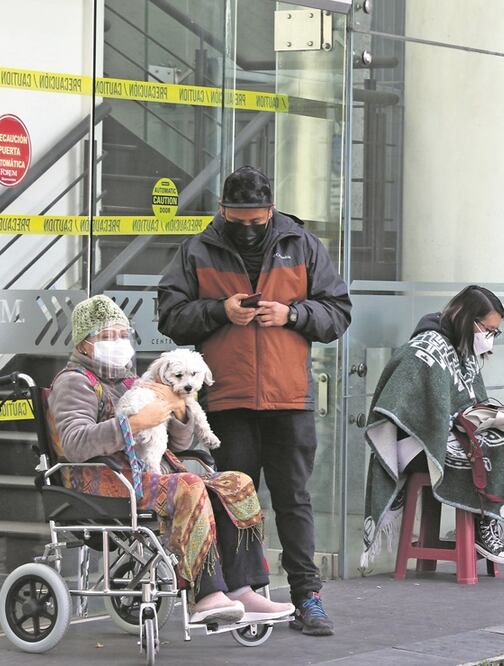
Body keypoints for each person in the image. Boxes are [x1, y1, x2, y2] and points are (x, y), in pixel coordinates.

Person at [157, 166, 352, 636]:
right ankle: (243, 596)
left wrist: (293, 313)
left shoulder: (302, 245)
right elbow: (169, 314)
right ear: (222, 210)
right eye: (238, 216)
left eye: (257, 217)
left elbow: (338, 312)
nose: (247, 226)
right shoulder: (197, 249)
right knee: (232, 502)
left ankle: (308, 598)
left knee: (294, 501)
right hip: (227, 399)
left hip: (289, 398)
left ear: (271, 210)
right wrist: (218, 311)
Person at [49, 295, 294, 625]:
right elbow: (75, 444)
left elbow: (178, 445)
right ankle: (205, 593)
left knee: (237, 483)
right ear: (86, 344)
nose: (120, 342)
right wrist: (134, 423)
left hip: (153, 475)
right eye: (109, 336)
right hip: (107, 483)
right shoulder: (75, 381)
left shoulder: (132, 380)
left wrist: (178, 411)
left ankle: (241, 589)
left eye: (124, 334)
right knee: (190, 486)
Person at [360, 285, 504, 570]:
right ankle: (485, 524)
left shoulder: (462, 347)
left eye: (496, 332)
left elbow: (471, 402)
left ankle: (487, 520)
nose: (490, 338)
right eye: (488, 329)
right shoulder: (424, 349)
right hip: (415, 444)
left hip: (447, 435)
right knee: (490, 448)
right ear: (468, 318)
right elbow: (404, 411)